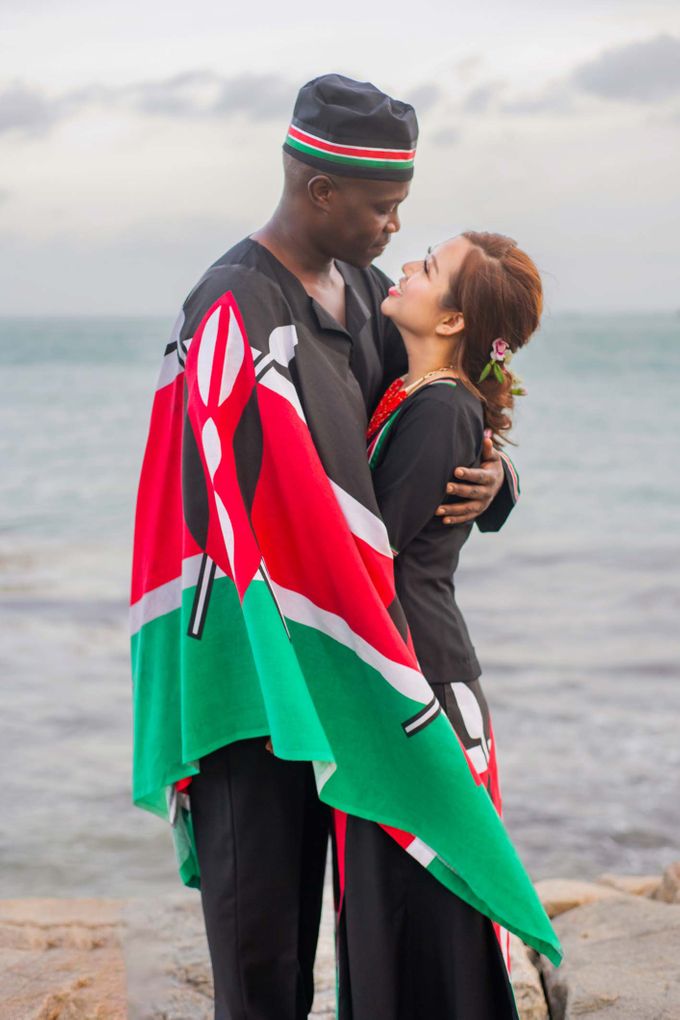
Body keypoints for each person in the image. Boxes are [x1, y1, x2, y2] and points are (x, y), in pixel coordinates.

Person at [131, 76, 524, 1020]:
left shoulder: (364, 292)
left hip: (347, 659)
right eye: (384, 207)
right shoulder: (232, 302)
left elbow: (436, 410)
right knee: (262, 949)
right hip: (255, 668)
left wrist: (501, 483)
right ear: (319, 192)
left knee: (361, 922)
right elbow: (223, 498)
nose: (396, 227)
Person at [337, 231, 542, 1019]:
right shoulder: (413, 391)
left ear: (453, 321)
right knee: (395, 909)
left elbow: (371, 549)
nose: (406, 269)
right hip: (401, 675)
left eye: (427, 268)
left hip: (423, 686)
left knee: (432, 907)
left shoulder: (442, 408)